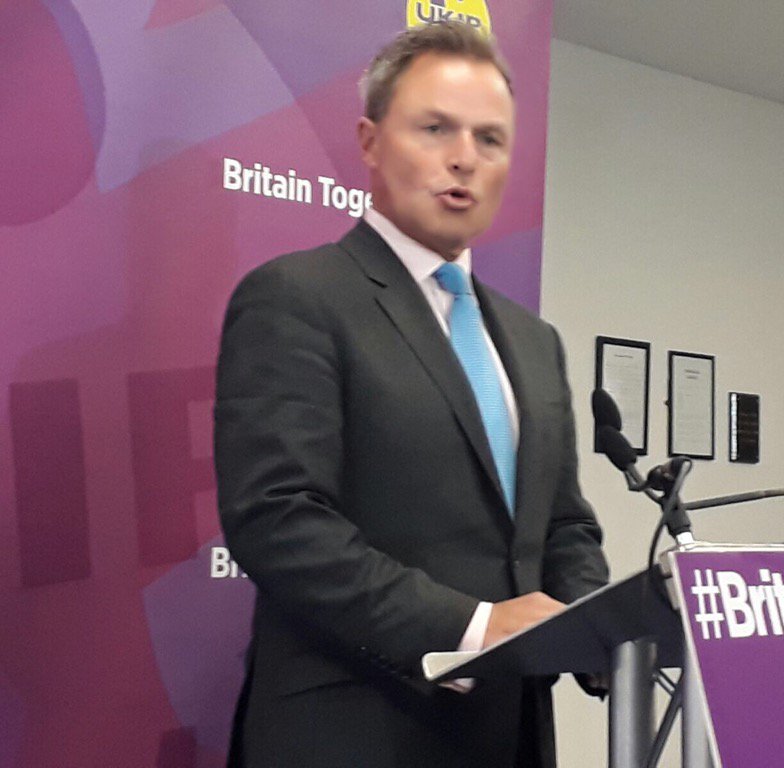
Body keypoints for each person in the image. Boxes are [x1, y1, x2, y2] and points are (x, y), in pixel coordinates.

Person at [215, 21, 608, 768]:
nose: (464, 157)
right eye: (435, 128)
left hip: (511, 737)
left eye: (490, 139)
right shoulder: (297, 297)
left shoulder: (534, 340)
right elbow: (278, 519)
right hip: (354, 732)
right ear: (369, 142)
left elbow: (563, 527)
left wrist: (597, 630)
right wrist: (471, 628)